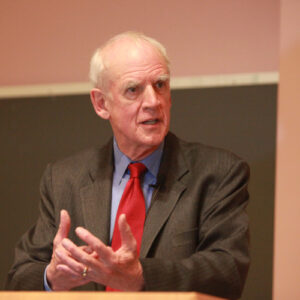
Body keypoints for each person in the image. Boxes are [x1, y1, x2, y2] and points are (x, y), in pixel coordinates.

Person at [5, 32, 250, 299]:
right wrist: (53, 277)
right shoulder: (65, 179)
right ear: (101, 104)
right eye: (133, 90)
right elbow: (19, 277)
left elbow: (227, 272)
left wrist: (140, 276)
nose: (153, 102)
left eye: (160, 85)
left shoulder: (218, 172)